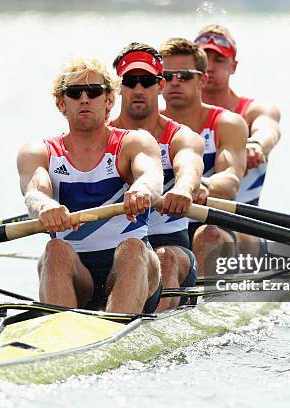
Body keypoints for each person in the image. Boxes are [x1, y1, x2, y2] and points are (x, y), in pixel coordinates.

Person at [16, 58, 164, 314]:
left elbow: (151, 176)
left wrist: (142, 190)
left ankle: (116, 324)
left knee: (132, 248)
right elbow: (34, 192)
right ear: (62, 103)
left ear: (108, 101)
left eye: (94, 92)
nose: (84, 98)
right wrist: (46, 206)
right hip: (76, 273)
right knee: (55, 249)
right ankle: (61, 336)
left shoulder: (134, 143)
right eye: (74, 93)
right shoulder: (39, 151)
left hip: (131, 267)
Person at [110, 43, 205, 311]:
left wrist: (184, 189)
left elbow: (189, 166)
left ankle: (147, 331)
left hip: (170, 245)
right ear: (118, 87)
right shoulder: (102, 137)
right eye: (130, 81)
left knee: (164, 258)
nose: (138, 89)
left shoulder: (181, 136)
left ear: (160, 85)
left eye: (147, 81)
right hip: (116, 249)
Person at [159, 38, 247, 277]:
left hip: (211, 223)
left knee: (207, 234)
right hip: (162, 227)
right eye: (167, 75)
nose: (175, 82)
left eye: (185, 76)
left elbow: (230, 181)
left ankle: (200, 305)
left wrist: (201, 185)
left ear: (203, 80)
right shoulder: (145, 128)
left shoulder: (227, 123)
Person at [194, 24, 282, 258]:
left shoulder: (254, 110)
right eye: (204, 59)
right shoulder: (170, 119)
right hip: (184, 224)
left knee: (209, 233)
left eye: (219, 60)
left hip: (244, 226)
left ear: (234, 66)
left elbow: (268, 128)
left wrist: (256, 145)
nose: (210, 67)